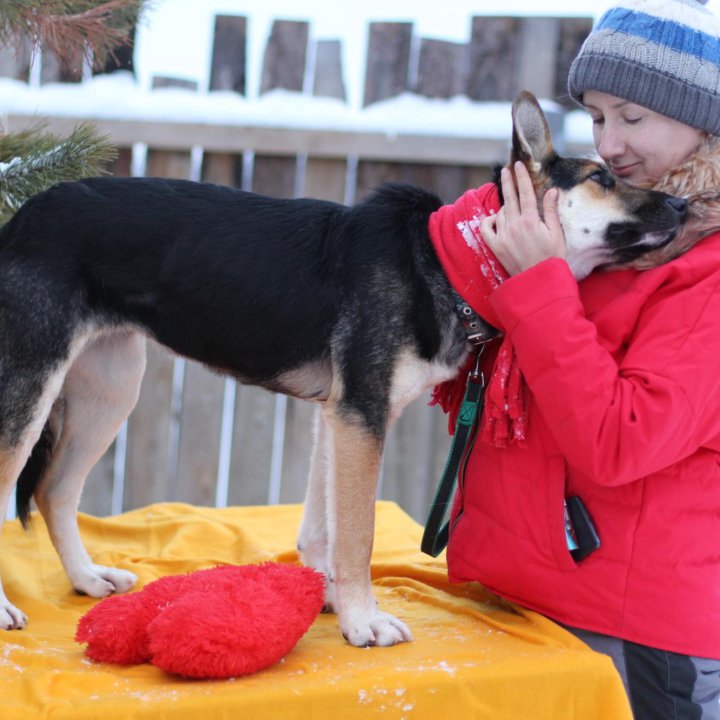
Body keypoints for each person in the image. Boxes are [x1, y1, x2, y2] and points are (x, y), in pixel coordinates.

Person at [435, 1, 720, 717]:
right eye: (596, 116)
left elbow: (623, 440)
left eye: (632, 116)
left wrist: (538, 288)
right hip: (522, 596)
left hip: (635, 637)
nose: (610, 142)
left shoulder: (707, 269)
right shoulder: (621, 229)